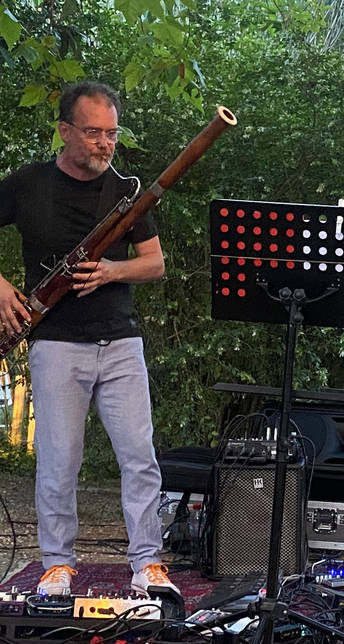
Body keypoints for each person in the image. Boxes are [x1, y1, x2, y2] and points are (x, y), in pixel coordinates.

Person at [0, 81, 180, 597]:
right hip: (56, 343)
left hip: (121, 342)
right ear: (65, 131)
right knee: (59, 462)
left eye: (112, 133)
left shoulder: (125, 191)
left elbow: (155, 263)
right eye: (94, 133)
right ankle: (57, 565)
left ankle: (147, 562)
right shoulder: (27, 184)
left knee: (140, 458)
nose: (106, 143)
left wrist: (111, 271)